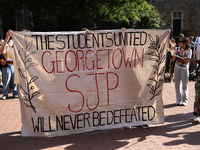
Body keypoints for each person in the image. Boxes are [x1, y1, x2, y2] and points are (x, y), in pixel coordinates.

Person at [172, 37, 192, 106]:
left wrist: (183, 54)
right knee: (177, 84)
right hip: (177, 67)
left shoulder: (189, 50)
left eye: (180, 42)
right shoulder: (178, 48)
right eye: (178, 42)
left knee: (184, 85)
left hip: (184, 68)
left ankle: (184, 100)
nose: (179, 43)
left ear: (185, 43)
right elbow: (173, 60)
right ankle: (178, 100)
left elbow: (186, 62)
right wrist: (174, 53)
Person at [183, 57, 200, 123]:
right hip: (199, 78)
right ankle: (196, 115)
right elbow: (198, 61)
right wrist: (190, 59)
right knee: (198, 97)